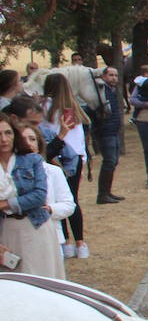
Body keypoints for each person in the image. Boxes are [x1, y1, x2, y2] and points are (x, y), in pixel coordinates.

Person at [0, 113, 60, 278]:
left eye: (8, 133)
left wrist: (5, 204)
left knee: (44, 278)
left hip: (35, 224)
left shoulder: (32, 160)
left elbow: (39, 196)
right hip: (7, 229)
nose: (4, 139)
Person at [40, 73, 89, 259]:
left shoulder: (46, 106)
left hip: (56, 155)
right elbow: (79, 136)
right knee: (72, 199)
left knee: (58, 199)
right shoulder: (73, 107)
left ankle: (66, 242)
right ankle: (80, 243)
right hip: (74, 156)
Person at [22, 123, 75, 278]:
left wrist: (50, 209)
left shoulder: (53, 172)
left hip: (51, 236)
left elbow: (68, 205)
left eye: (32, 139)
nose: (28, 143)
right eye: (23, 139)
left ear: (39, 145)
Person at [92, 66, 126, 204]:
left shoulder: (111, 91)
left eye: (116, 75)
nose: (114, 78)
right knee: (109, 161)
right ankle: (102, 194)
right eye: (111, 75)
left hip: (113, 131)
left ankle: (107, 191)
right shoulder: (101, 90)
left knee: (113, 161)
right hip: (106, 131)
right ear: (104, 76)